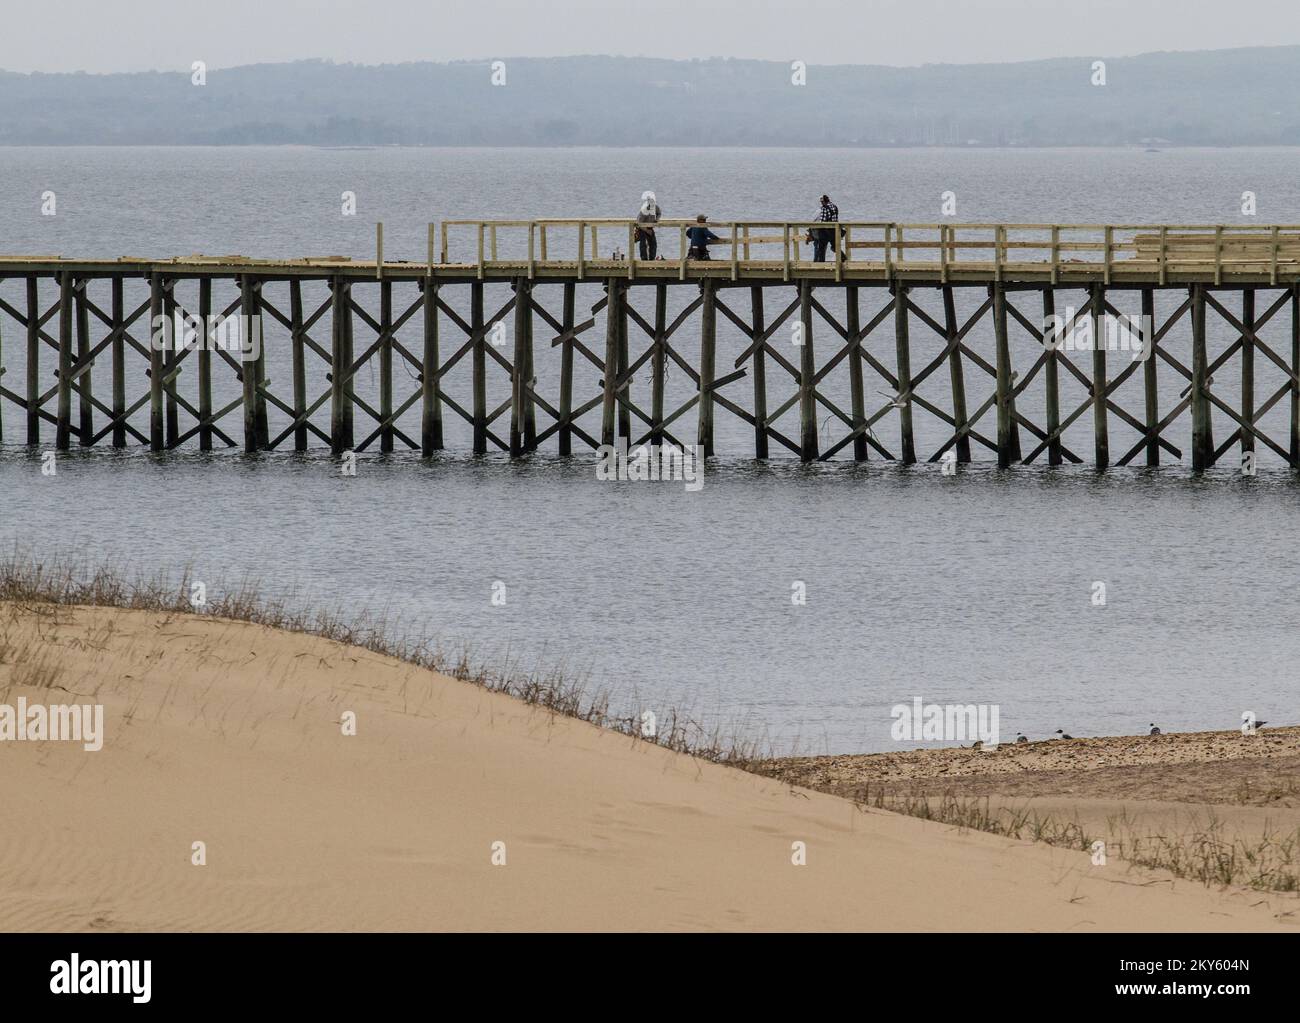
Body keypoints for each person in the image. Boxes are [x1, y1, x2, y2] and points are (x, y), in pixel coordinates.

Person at [807, 194, 840, 262]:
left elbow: (822, 220)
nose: (821, 203)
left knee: (820, 247)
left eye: (822, 202)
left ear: (824, 201)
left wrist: (810, 231)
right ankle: (843, 260)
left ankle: (819, 263)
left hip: (824, 231)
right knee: (835, 247)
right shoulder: (834, 207)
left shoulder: (823, 209)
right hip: (834, 230)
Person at [635, 191, 661, 260]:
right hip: (642, 228)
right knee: (643, 244)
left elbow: (659, 213)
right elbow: (639, 222)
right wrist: (647, 230)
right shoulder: (643, 210)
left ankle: (652, 258)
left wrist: (657, 220)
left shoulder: (655, 207)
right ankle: (644, 259)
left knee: (653, 243)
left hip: (650, 227)